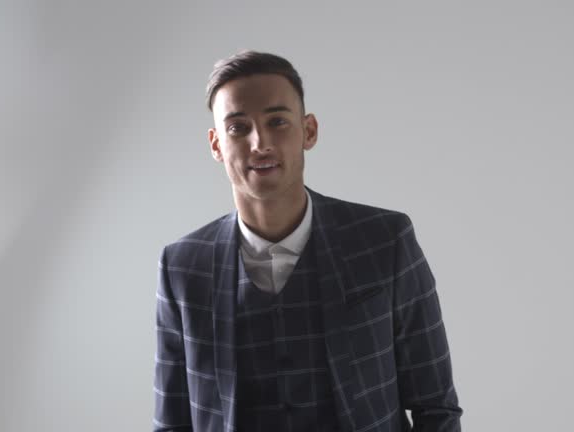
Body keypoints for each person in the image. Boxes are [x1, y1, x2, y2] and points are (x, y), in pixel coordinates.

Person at [153, 50, 463, 432]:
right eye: (238, 128)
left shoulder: (385, 241)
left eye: (277, 121)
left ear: (309, 130)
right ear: (216, 145)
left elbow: (437, 408)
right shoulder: (182, 267)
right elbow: (171, 425)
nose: (259, 143)